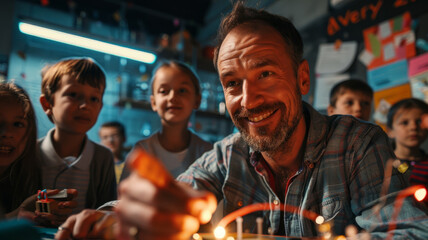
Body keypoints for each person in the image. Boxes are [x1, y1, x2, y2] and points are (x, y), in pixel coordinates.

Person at [56, 3, 428, 240]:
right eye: (232, 84)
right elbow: (176, 195)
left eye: (265, 74)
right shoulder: (226, 155)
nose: (247, 101)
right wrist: (110, 219)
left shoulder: (356, 143)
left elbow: (410, 232)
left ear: (302, 79)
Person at [38, 57, 117, 214]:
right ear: (47, 104)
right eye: (73, 94)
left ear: (100, 107)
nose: (84, 105)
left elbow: (107, 212)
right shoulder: (29, 153)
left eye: (94, 98)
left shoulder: (103, 158)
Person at [0, 82, 76, 226]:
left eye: (18, 124)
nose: (7, 133)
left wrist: (44, 215)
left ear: (30, 132)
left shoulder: (25, 175)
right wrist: (16, 216)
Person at [133, 61, 213, 178]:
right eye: (164, 91)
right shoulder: (142, 151)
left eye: (182, 90)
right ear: (153, 102)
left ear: (197, 101)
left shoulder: (208, 154)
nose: (172, 97)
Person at [387, 98, 428, 189]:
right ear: (390, 131)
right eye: (405, 123)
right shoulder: (384, 165)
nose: (413, 127)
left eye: (419, 122)